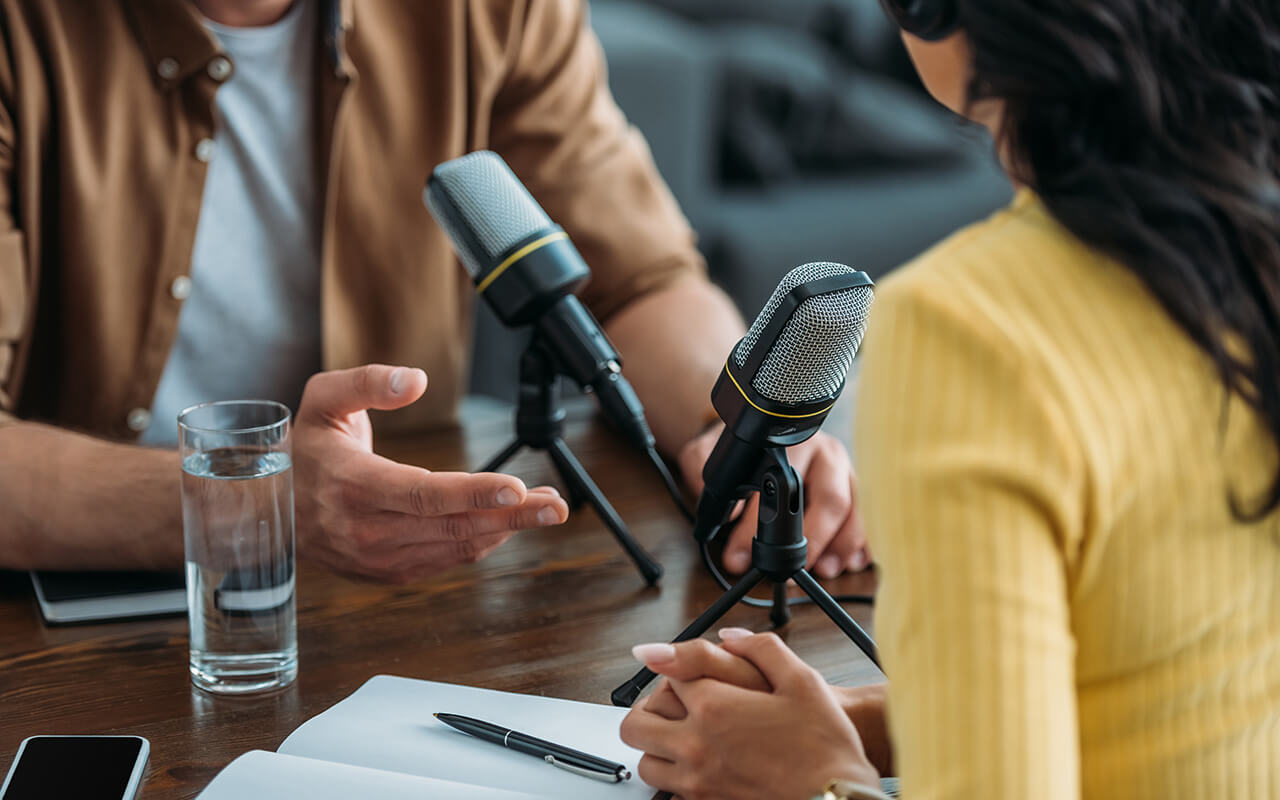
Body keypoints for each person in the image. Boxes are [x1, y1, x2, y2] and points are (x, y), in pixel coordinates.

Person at [620, 0, 1280, 798]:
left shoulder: (968, 328)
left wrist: (820, 778)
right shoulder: (1248, 241)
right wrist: (871, 723)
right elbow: (1177, 679)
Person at [0, 0, 865, 582]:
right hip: (71, 602)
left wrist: (728, 435)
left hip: (396, 587)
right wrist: (255, 503)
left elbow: (640, 276)